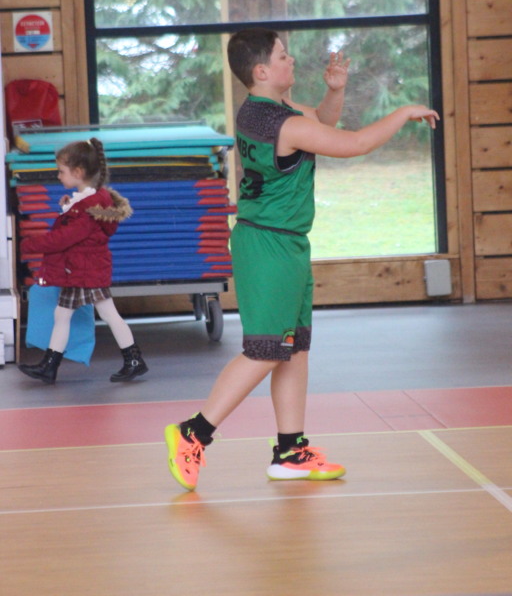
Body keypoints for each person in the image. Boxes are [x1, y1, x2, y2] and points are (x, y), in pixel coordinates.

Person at [164, 28, 439, 491]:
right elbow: (353, 143)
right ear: (262, 70)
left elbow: (321, 123)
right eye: (283, 56)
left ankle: (290, 452)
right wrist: (403, 112)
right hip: (268, 247)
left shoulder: (262, 111)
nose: (291, 60)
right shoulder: (283, 124)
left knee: (292, 349)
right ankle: (194, 433)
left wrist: (335, 92)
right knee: (264, 351)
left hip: (283, 243)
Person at [18, 137, 148, 385]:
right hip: (83, 269)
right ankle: (130, 360)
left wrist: (28, 245)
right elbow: (79, 229)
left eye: (61, 171)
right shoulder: (91, 200)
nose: (58, 176)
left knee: (87, 314)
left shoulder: (87, 208)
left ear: (78, 172)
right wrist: (69, 207)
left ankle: (52, 365)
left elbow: (64, 238)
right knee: (75, 314)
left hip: (83, 271)